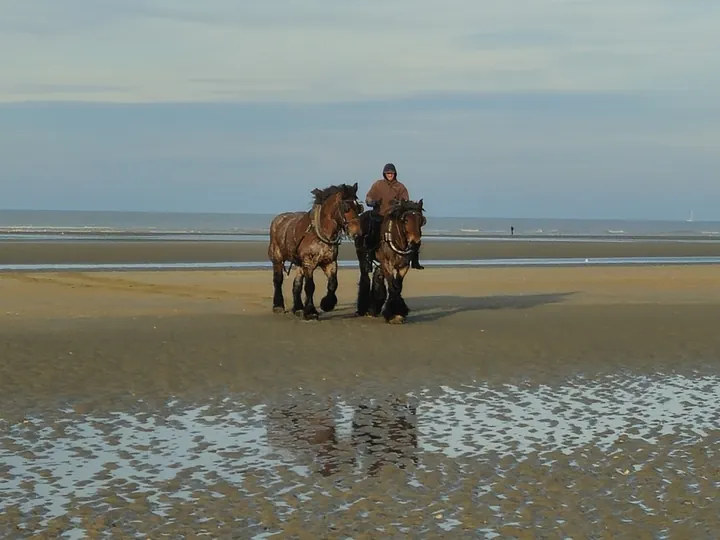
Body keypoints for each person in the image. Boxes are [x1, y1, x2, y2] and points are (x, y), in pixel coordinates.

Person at [365, 163, 424, 270]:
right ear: (384, 174)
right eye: (388, 173)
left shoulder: (400, 187)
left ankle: (415, 259)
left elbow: (405, 201)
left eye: (391, 173)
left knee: (413, 230)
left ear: (395, 174)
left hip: (395, 216)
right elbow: (368, 197)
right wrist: (371, 202)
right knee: (372, 231)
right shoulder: (378, 185)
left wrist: (399, 204)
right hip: (380, 215)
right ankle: (369, 256)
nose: (390, 175)